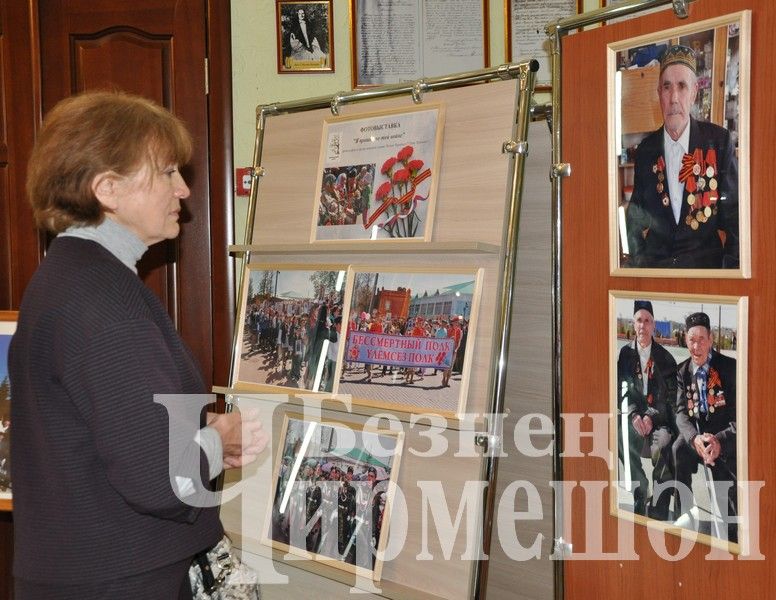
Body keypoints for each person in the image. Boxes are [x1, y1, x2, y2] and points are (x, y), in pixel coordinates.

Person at [8, 90, 267, 599]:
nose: (184, 190)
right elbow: (158, 480)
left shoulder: (68, 278)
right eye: (167, 172)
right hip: (120, 579)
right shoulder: (104, 300)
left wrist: (192, 428)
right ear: (107, 189)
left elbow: (102, 432)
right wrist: (223, 441)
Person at [625, 44, 739, 268]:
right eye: (666, 87)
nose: (674, 98)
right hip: (658, 276)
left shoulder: (718, 142)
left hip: (705, 274)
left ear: (694, 92)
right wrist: (639, 272)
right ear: (659, 94)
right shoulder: (646, 152)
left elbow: (736, 222)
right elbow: (634, 225)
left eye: (682, 86)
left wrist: (728, 278)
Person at [672, 312, 738, 540]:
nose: (696, 346)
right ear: (685, 340)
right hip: (696, 437)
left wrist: (719, 441)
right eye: (691, 339)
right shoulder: (682, 371)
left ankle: (729, 536)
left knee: (725, 497)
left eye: (701, 339)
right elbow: (681, 413)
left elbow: (739, 418)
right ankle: (686, 515)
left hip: (721, 438)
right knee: (678, 449)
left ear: (711, 339)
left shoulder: (729, 368)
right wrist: (693, 439)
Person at [616, 300, 677, 519]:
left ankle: (659, 507)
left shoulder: (665, 358)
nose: (643, 325)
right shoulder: (625, 354)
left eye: (648, 321)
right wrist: (633, 415)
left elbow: (669, 397)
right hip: (635, 419)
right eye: (639, 320)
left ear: (653, 325)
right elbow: (621, 388)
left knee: (663, 444)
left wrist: (651, 416)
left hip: (659, 420)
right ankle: (641, 492)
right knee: (619, 436)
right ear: (634, 324)